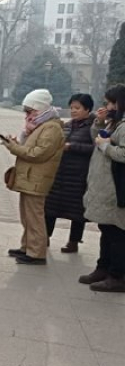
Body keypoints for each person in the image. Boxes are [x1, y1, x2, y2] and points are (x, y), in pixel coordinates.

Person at [2, 89, 66, 265]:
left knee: (34, 216)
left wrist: (12, 147)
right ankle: (26, 247)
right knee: (27, 215)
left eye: (30, 111)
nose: (28, 115)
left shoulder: (51, 127)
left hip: (37, 179)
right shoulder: (42, 125)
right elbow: (32, 149)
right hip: (30, 178)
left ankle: (36, 253)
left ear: (40, 109)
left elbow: (37, 154)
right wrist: (17, 143)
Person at [80, 85, 125, 292]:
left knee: (116, 232)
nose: (107, 106)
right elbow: (97, 138)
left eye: (110, 103)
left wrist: (106, 146)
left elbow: (121, 153)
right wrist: (98, 123)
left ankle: (117, 275)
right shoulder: (115, 123)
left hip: (115, 188)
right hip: (104, 186)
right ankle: (103, 267)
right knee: (106, 229)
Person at [44, 94, 95, 253]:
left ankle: (73, 241)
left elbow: (95, 149)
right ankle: (44, 238)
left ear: (87, 109)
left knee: (77, 212)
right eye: (72, 107)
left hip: (79, 176)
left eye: (77, 108)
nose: (73, 111)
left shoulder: (93, 128)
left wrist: (73, 146)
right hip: (60, 173)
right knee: (50, 207)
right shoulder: (67, 125)